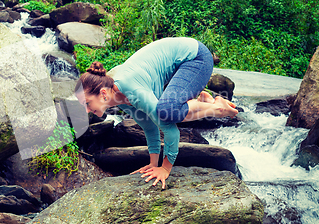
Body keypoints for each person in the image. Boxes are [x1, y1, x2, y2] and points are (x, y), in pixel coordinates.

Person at [75, 37, 238, 189]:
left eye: (87, 103)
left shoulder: (131, 89)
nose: (87, 110)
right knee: (163, 113)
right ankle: (204, 101)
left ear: (103, 93)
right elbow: (149, 127)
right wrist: (153, 164)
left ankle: (216, 107)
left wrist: (165, 169)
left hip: (196, 58)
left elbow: (171, 131)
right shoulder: (118, 98)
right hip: (179, 65)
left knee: (166, 112)